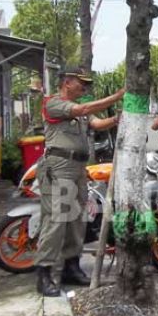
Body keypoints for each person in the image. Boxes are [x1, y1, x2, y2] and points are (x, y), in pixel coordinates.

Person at [35, 68, 124, 297]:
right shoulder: (53, 103)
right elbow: (84, 109)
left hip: (78, 168)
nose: (84, 87)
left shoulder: (81, 110)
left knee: (77, 219)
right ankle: (44, 273)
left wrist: (116, 119)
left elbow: (95, 123)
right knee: (56, 220)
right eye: (80, 83)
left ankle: (71, 268)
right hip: (59, 167)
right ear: (66, 82)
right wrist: (117, 96)